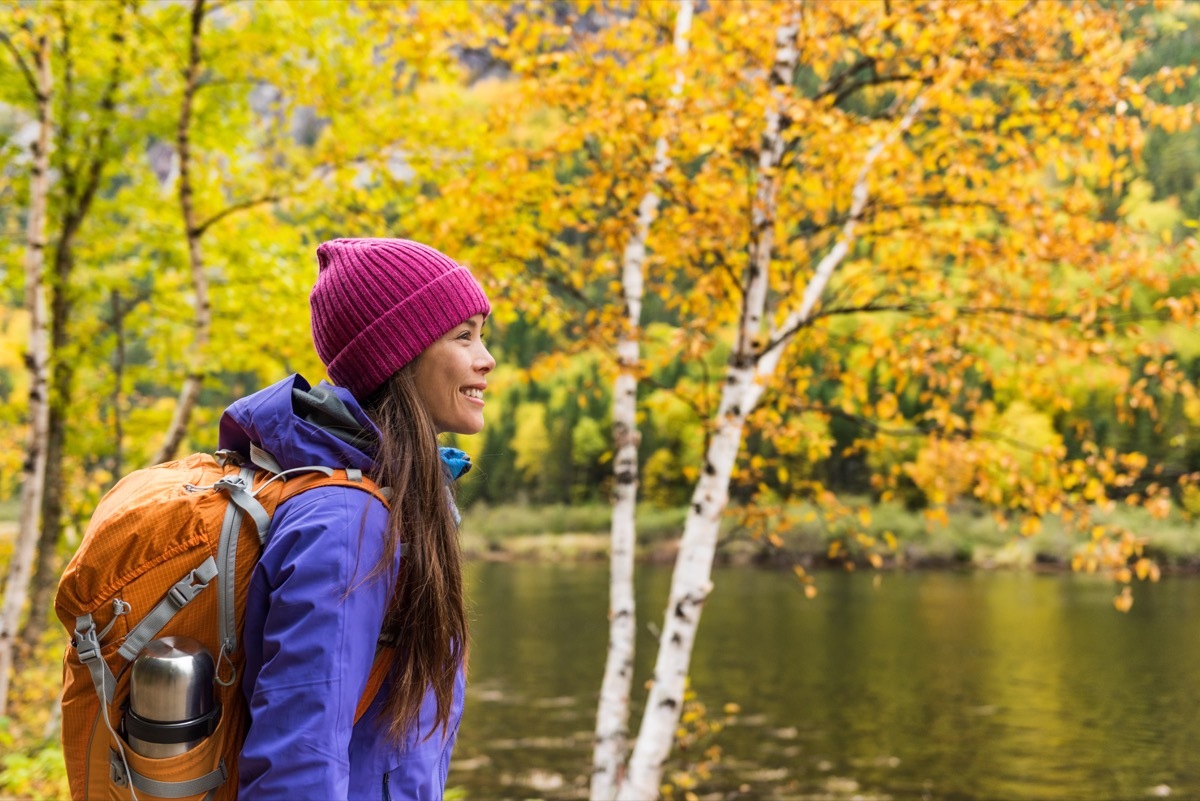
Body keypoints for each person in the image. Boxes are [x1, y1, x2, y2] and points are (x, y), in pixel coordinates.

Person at [216, 238, 495, 799]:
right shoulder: (348, 524)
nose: (486, 359)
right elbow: (299, 765)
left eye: (482, 336)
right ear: (399, 356)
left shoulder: (404, 499)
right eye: (463, 336)